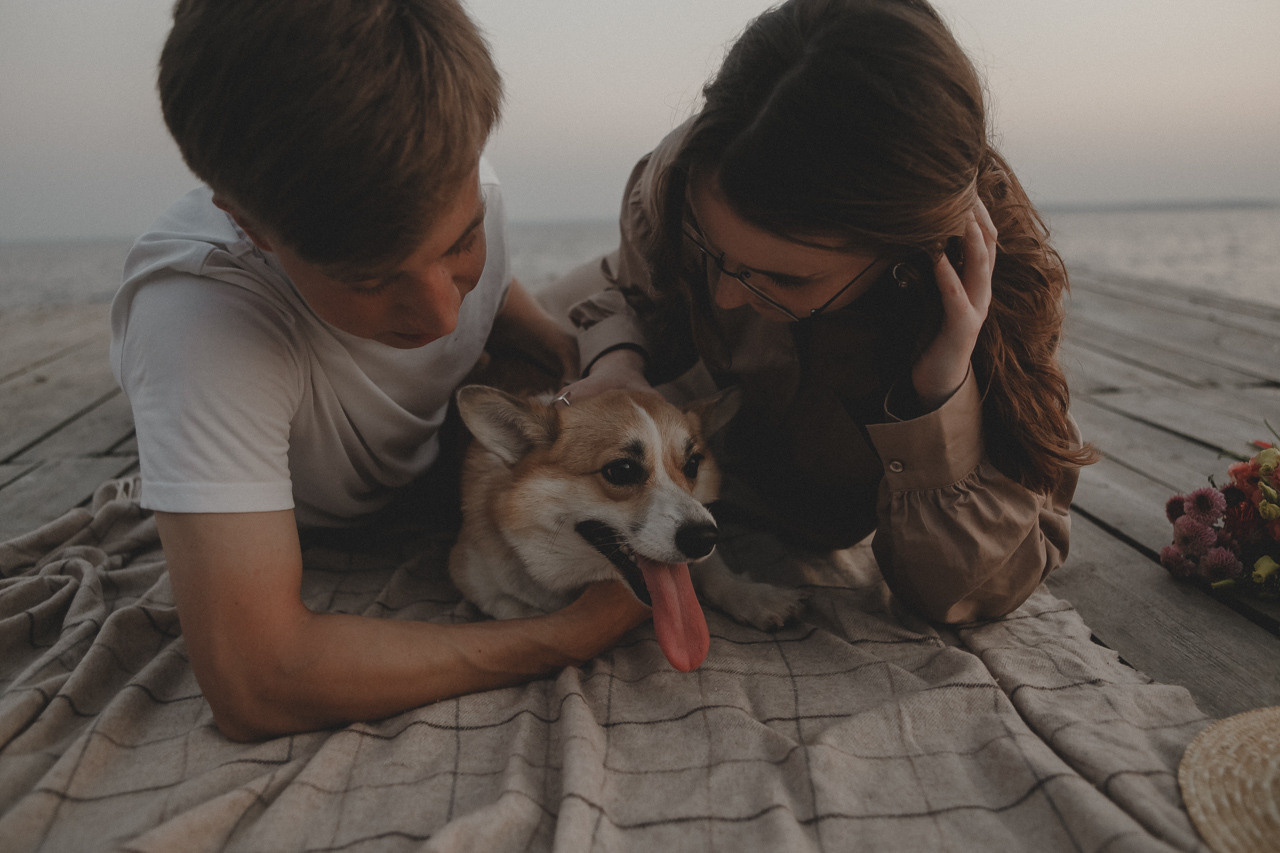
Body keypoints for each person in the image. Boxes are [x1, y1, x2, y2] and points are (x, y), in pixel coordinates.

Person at [109, 0, 648, 742]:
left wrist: (549, 339)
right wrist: (569, 635)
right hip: (324, 510)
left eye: (460, 246)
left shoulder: (457, 169)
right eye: (371, 281)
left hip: (432, 454)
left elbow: (487, 295)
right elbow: (258, 679)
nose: (440, 317)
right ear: (246, 224)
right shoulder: (200, 324)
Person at [556, 0, 1096, 624]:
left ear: (906, 258)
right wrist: (618, 364)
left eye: (785, 277)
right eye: (712, 250)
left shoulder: (990, 307)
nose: (725, 298)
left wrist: (939, 393)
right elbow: (625, 294)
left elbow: (968, 591)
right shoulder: (684, 182)